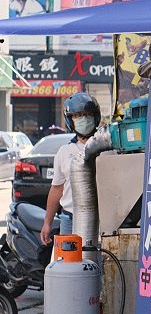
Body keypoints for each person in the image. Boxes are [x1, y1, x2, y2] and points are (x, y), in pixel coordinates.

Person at [39, 93, 102, 245]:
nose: (84, 119)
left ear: (95, 117)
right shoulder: (64, 152)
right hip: (69, 219)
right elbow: (57, 189)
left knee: (99, 265)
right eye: (78, 115)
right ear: (71, 121)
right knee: (68, 265)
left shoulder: (107, 148)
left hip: (100, 220)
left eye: (87, 114)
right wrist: (47, 223)